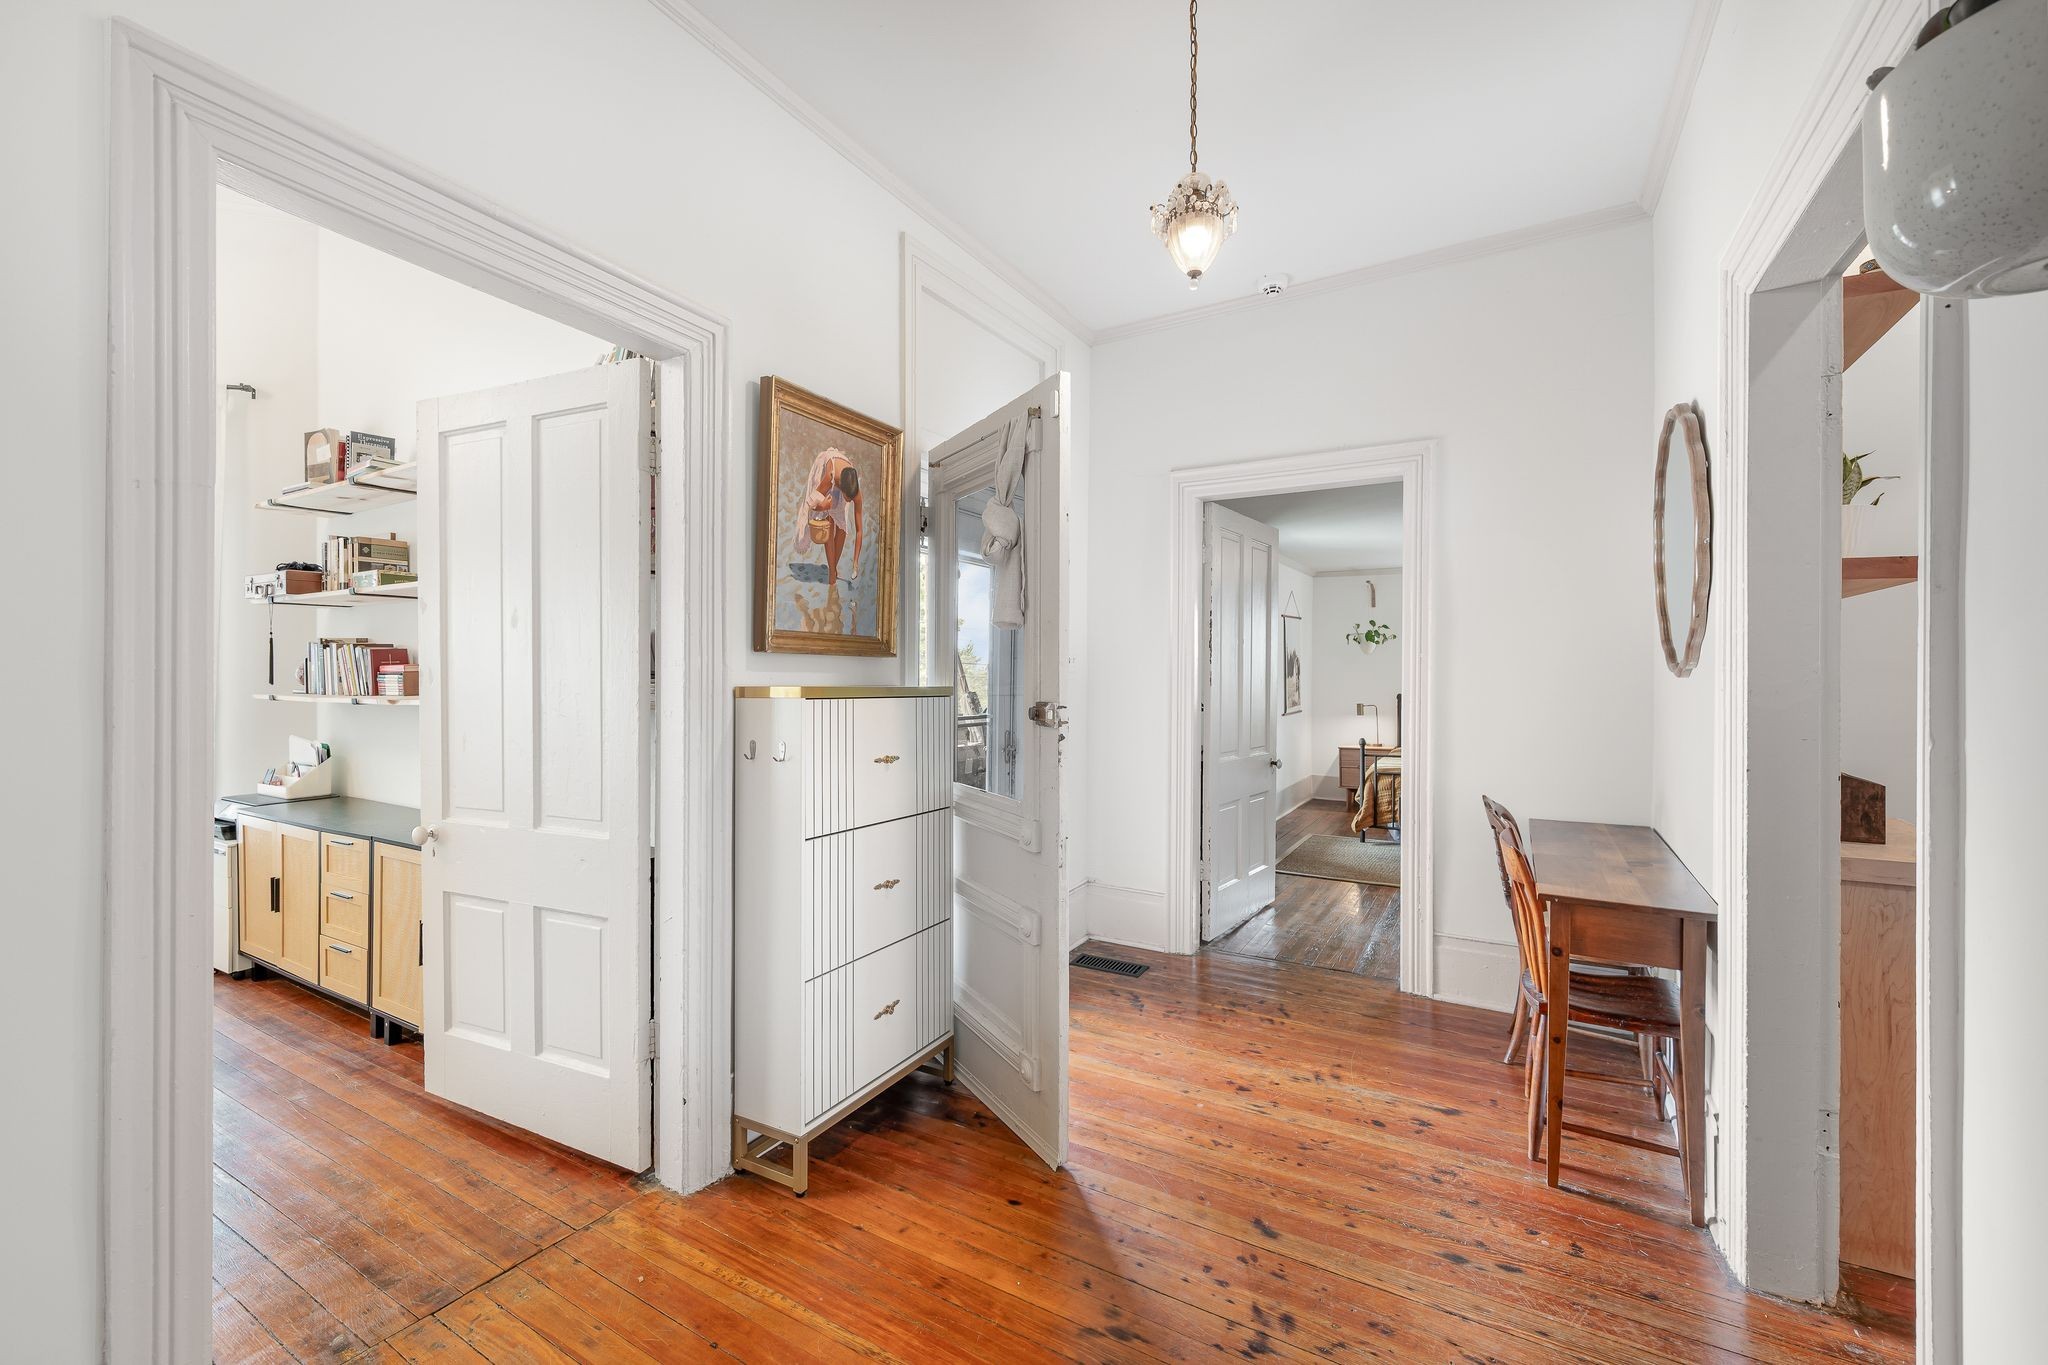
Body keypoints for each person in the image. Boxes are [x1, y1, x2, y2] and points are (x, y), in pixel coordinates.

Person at [789, 446, 863, 587]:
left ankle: (833, 568)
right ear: (842, 489)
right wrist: (822, 506)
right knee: (829, 519)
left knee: (842, 526)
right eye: (847, 498)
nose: (849, 502)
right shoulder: (830, 477)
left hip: (845, 477)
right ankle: (832, 575)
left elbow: (859, 531)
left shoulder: (856, 493)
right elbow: (810, 503)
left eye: (851, 499)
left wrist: (855, 561)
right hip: (827, 467)